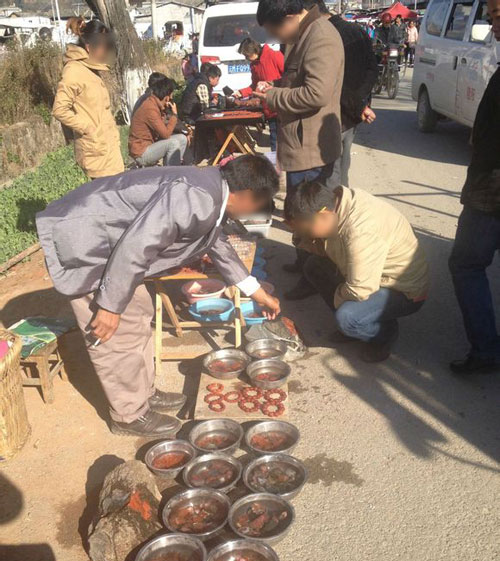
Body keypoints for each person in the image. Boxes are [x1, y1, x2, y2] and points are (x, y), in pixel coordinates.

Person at [36, 156, 281, 436]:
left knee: (140, 314)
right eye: (258, 206)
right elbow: (137, 246)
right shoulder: (196, 197)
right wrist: (110, 306)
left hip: (114, 248)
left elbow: (216, 243)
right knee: (116, 336)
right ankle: (128, 415)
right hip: (88, 242)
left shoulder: (214, 189)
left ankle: (144, 394)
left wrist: (256, 292)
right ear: (247, 196)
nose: (253, 213)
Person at [254, 0, 344, 299]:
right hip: (299, 144)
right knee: (299, 213)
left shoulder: (321, 36)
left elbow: (316, 93)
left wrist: (274, 95)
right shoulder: (302, 35)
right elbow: (299, 82)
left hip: (311, 147)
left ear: (291, 17)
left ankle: (317, 279)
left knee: (308, 216)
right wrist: (276, 85)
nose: (276, 38)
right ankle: (307, 268)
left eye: (275, 30)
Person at [285, 181, 429, 362]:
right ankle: (360, 322)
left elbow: (360, 289)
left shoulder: (360, 231)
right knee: (314, 267)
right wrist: (301, 235)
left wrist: (338, 300)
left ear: (323, 215)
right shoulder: (336, 206)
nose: (307, 233)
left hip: (402, 289)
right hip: (371, 275)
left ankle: (384, 333)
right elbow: (324, 250)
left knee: (347, 317)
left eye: (306, 228)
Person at [448, 0, 500, 373]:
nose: (493, 23)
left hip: (492, 188)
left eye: (499, 14)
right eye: (492, 15)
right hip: (488, 179)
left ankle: (485, 350)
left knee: (466, 263)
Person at [302, 0, 377, 189]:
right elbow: (372, 69)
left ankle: (335, 209)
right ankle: (342, 205)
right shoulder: (357, 31)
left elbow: (331, 82)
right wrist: (360, 102)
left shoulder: (322, 36)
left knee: (330, 170)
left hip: (334, 111)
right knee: (342, 164)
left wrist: (356, 103)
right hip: (354, 111)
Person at [53, 17, 124, 179]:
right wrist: (87, 128)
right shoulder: (74, 70)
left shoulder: (91, 68)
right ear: (89, 46)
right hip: (95, 149)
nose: (106, 52)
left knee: (115, 196)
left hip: (108, 148)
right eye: (104, 48)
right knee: (105, 198)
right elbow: (59, 109)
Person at [233, 37, 284, 152]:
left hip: (282, 104)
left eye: (247, 55)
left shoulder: (274, 56)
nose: (246, 59)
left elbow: (288, 76)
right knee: (274, 140)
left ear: (254, 51)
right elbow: (254, 85)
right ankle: (274, 166)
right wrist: (241, 92)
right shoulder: (254, 65)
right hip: (269, 108)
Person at [129, 77, 188, 167]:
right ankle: (171, 175)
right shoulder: (150, 108)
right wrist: (174, 115)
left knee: (182, 139)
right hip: (141, 152)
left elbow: (162, 127)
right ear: (167, 97)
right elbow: (165, 134)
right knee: (173, 143)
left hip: (149, 145)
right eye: (171, 95)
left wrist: (165, 111)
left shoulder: (155, 105)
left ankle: (174, 167)